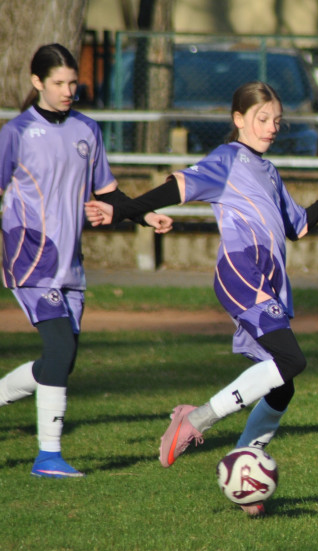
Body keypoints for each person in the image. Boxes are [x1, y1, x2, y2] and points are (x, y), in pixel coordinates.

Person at [85, 81, 318, 514]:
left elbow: (298, 225)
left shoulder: (268, 170)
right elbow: (176, 186)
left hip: (270, 280)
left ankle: (242, 471)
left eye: (276, 121)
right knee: (291, 362)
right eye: (261, 119)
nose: (270, 128)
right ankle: (193, 421)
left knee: (282, 388)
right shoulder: (227, 159)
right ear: (238, 120)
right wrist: (124, 209)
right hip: (242, 270)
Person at [0, 44, 171, 479]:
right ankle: (48, 456)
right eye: (58, 83)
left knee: (61, 362)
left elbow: (107, 193)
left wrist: (144, 215)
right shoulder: (16, 133)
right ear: (37, 82)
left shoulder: (87, 130)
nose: (67, 90)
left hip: (71, 265)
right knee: (57, 349)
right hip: (31, 257)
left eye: (72, 83)